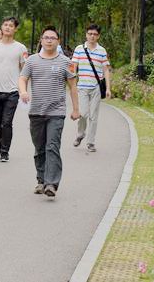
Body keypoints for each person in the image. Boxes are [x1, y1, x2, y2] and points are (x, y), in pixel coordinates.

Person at [18, 26, 80, 199]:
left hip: (56, 112)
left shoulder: (66, 62)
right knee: (39, 149)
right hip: (36, 111)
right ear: (41, 40)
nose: (49, 40)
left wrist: (76, 109)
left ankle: (51, 183)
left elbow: (73, 86)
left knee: (52, 146)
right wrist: (23, 91)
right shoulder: (31, 61)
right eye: (46, 38)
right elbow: (22, 78)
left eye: (53, 38)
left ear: (58, 41)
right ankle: (41, 179)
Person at [0, 16, 28, 162]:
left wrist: (23, 91)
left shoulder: (21, 48)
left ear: (15, 29)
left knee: (7, 122)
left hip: (13, 91)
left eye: (11, 25)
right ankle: (2, 141)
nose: (8, 27)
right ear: (1, 27)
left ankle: (4, 151)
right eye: (5, 25)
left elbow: (25, 70)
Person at [71, 24, 112, 152]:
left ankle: (90, 142)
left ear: (98, 36)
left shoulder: (102, 51)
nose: (92, 36)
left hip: (96, 88)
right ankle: (80, 133)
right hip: (82, 87)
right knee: (83, 114)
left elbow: (106, 70)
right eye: (90, 34)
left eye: (95, 34)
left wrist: (108, 88)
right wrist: (71, 81)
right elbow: (73, 66)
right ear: (86, 34)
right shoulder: (79, 49)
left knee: (94, 116)